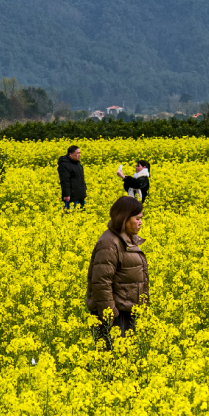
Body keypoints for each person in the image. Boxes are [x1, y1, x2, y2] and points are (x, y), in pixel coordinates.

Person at [86, 196, 148, 349]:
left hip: (127, 311)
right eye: (137, 218)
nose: (140, 222)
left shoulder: (127, 239)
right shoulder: (109, 243)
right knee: (114, 360)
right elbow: (101, 282)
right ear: (125, 218)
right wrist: (110, 315)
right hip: (116, 316)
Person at [58, 145, 86, 211]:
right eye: (77, 153)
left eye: (79, 153)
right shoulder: (64, 165)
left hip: (80, 196)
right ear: (70, 154)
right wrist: (66, 194)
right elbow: (65, 181)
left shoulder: (77, 164)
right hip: (72, 198)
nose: (79, 155)